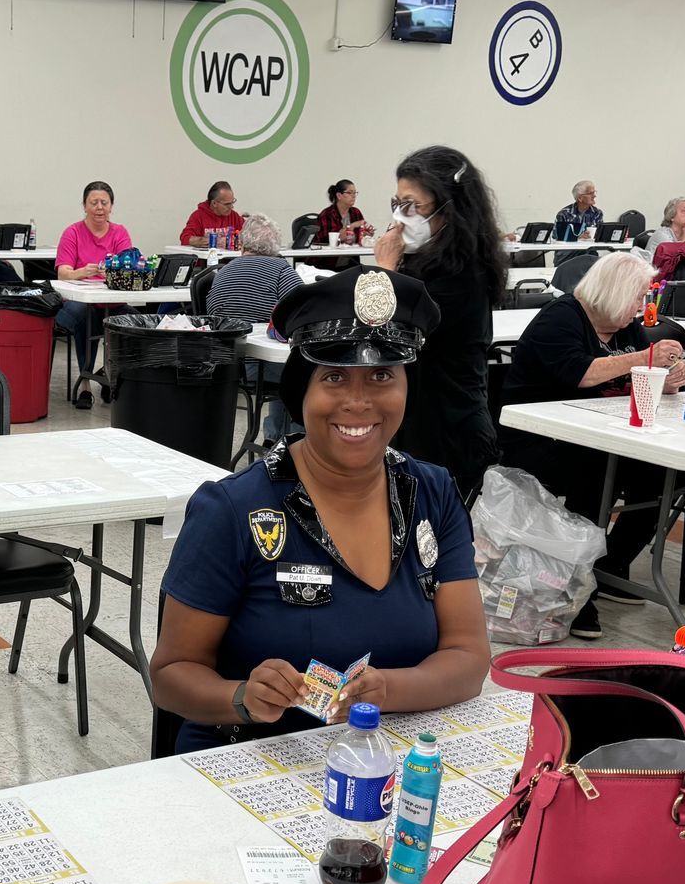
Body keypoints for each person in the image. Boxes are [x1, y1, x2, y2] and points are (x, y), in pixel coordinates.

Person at [150, 266, 488, 754]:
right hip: (246, 761)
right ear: (300, 390)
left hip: (382, 755)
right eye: (333, 376)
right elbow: (170, 676)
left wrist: (388, 691)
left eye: (381, 376)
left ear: (407, 386)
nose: (358, 401)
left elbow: (469, 657)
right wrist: (242, 696)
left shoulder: (432, 494)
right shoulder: (233, 510)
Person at [500, 253, 685, 638]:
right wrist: (644, 358)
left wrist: (670, 378)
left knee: (664, 472)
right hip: (540, 434)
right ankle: (576, 590)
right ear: (615, 293)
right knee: (595, 476)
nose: (642, 307)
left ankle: (611, 566)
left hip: (601, 433)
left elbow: (641, 372)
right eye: (637, 297)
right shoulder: (562, 317)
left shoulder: (626, 329)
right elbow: (581, 374)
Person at [371, 145, 506, 500]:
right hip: (418, 424)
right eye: (397, 204)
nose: (402, 218)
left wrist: (384, 269)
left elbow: (388, 331)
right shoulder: (424, 263)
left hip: (448, 432)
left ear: (452, 207)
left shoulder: (463, 274)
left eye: (414, 206)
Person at [208, 214, 304, 444]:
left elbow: (212, 314)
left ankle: (275, 439)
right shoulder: (282, 271)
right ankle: (292, 440)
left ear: (243, 243)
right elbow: (301, 311)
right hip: (262, 368)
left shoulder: (223, 273)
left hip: (229, 366)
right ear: (275, 246)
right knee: (303, 371)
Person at [55, 180, 136, 390]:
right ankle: (86, 382)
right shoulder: (72, 232)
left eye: (104, 203)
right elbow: (63, 273)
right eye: (94, 203)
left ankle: (113, 375)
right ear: (84, 206)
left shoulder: (120, 232)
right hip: (77, 302)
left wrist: (112, 273)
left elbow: (127, 268)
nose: (99, 208)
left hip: (110, 301)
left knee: (134, 321)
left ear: (111, 206)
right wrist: (83, 272)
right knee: (85, 317)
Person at [179, 180, 241, 246]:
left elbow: (248, 234)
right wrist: (215, 241)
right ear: (214, 203)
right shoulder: (198, 216)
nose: (231, 207)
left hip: (231, 256)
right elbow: (185, 238)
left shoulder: (234, 216)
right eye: (227, 204)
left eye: (232, 202)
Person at [316, 180, 371, 247]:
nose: (353, 196)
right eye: (349, 193)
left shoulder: (356, 212)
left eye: (355, 193)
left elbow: (360, 237)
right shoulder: (327, 214)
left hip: (351, 255)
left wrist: (367, 234)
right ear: (339, 196)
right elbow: (334, 238)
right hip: (331, 255)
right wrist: (353, 226)